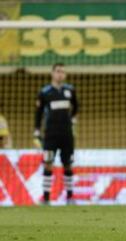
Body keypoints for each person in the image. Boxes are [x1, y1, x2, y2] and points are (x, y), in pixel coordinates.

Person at [34, 63, 78, 205]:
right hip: (50, 134)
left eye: (63, 72)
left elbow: (76, 106)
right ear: (52, 73)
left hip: (66, 134)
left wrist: (72, 118)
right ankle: (46, 198)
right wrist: (36, 130)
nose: (60, 74)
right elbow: (38, 113)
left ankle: (70, 197)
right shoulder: (45, 92)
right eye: (58, 71)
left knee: (68, 164)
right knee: (48, 163)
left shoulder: (70, 90)